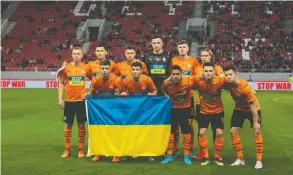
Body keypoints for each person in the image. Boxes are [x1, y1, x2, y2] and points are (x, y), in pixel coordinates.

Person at [223, 66, 263, 169]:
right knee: (233, 131)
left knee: (256, 131)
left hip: (252, 109)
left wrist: (255, 123)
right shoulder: (227, 83)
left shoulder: (245, 87)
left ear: (235, 74)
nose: (228, 77)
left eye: (230, 74)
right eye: (226, 75)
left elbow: (253, 106)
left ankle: (259, 161)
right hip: (239, 109)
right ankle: (240, 159)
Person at [84, 59, 122, 162]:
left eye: (106, 68)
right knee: (99, 131)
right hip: (100, 110)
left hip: (112, 109)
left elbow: (117, 95)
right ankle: (98, 153)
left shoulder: (115, 79)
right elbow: (91, 92)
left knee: (114, 131)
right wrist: (87, 95)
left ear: (110, 69)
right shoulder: (96, 80)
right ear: (100, 69)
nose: (104, 70)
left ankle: (116, 154)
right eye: (103, 68)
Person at [120, 61, 157, 162]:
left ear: (141, 70)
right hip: (131, 110)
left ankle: (148, 153)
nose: (135, 71)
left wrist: (152, 93)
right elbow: (123, 92)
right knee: (129, 131)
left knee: (145, 131)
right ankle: (127, 152)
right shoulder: (127, 79)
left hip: (144, 110)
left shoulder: (147, 79)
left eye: (137, 69)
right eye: (133, 70)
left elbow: (155, 91)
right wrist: (123, 93)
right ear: (131, 70)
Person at [190, 62, 226, 166]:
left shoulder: (220, 80)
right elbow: (186, 80)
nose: (208, 73)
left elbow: (232, 82)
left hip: (218, 111)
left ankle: (217, 157)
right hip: (204, 111)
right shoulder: (197, 79)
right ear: (203, 72)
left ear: (214, 72)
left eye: (210, 71)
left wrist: (250, 89)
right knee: (201, 133)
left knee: (219, 133)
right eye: (206, 71)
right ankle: (205, 157)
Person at [169, 40, 199, 158]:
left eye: (184, 47)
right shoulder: (173, 60)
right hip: (175, 97)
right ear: (177, 48)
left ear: (188, 48)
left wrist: (187, 81)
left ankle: (190, 149)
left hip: (188, 97)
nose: (182, 49)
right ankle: (175, 149)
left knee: (189, 125)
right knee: (175, 125)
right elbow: (170, 75)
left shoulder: (193, 61)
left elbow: (196, 77)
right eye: (180, 47)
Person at [57, 46, 87, 158]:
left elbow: (94, 79)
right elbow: (61, 83)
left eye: (78, 54)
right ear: (71, 55)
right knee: (68, 124)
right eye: (74, 54)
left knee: (81, 125)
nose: (76, 56)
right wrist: (60, 98)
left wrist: (90, 91)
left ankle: (80, 150)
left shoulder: (86, 67)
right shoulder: (66, 68)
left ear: (82, 55)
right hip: (69, 101)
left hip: (81, 101)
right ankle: (67, 149)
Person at [161, 65, 193, 165]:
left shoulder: (188, 81)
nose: (175, 76)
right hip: (173, 109)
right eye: (173, 74)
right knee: (171, 132)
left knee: (187, 131)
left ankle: (186, 156)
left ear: (181, 74)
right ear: (171, 75)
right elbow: (162, 89)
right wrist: (166, 95)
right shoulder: (166, 82)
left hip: (185, 108)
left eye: (177, 74)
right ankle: (169, 155)